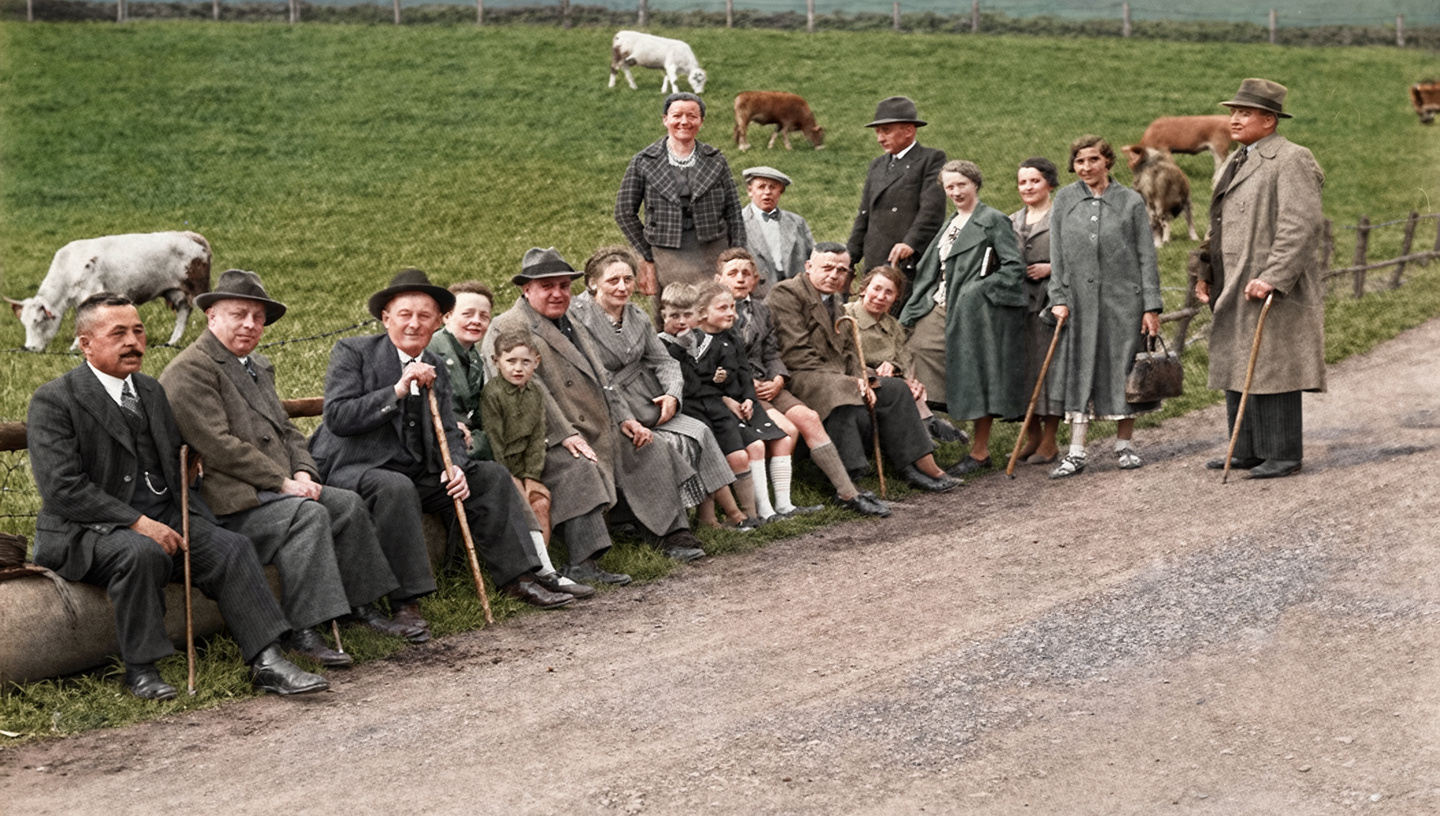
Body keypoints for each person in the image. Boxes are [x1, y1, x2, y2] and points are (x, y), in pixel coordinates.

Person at [27, 293, 328, 700]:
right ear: (85, 344)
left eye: (138, 331)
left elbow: (171, 466)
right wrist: (138, 523)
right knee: (141, 552)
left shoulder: (150, 391)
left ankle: (268, 661)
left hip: (162, 515)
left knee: (231, 547)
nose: (133, 342)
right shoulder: (55, 399)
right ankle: (140, 671)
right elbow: (63, 488)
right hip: (87, 529)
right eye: (118, 334)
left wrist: (190, 491)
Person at [160, 269, 421, 657]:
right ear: (211, 315)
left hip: (273, 491)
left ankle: (361, 608)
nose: (250, 325)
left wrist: (303, 470)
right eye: (239, 314)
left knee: (347, 505)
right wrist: (283, 483)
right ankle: (303, 632)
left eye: (258, 317)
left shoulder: (255, 365)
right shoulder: (189, 370)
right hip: (230, 503)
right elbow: (219, 447)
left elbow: (286, 430)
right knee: (307, 515)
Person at [309, 269, 575, 611]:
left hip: (416, 469)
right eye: (405, 315)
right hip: (356, 468)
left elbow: (448, 428)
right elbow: (338, 417)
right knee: (395, 487)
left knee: (491, 477)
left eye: (424, 316)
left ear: (437, 322)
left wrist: (457, 466)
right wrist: (397, 390)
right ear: (386, 318)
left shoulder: (435, 363)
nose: (414, 324)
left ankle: (518, 578)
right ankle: (406, 603)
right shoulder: (354, 352)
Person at [485, 248, 709, 573]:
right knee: (578, 466)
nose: (558, 293)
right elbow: (522, 397)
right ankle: (584, 560)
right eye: (547, 286)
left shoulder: (571, 320)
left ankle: (671, 534)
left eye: (564, 286)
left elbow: (603, 380)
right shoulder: (508, 326)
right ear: (526, 289)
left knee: (650, 447)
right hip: (542, 437)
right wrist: (565, 435)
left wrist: (626, 418)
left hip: (596, 422)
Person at [1195, 78, 1325, 479]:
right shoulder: (1235, 160)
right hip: (1233, 278)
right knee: (1238, 358)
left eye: (1245, 113)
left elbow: (1300, 225)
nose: (1234, 120)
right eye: (1234, 112)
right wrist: (1205, 272)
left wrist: (1273, 276)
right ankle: (1247, 449)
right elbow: (1216, 224)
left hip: (1269, 284)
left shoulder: (1291, 158)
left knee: (1272, 364)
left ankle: (1282, 453)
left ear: (1269, 121)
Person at [767, 242, 962, 495]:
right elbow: (797, 354)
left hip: (833, 376)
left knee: (896, 389)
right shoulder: (786, 293)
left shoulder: (835, 301)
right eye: (827, 268)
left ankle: (916, 466)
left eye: (841, 270)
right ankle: (849, 482)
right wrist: (850, 381)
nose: (834, 275)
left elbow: (849, 352)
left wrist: (862, 376)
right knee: (845, 395)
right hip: (800, 377)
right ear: (808, 266)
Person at [567, 245, 737, 525]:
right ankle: (670, 520)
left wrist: (672, 395)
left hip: (647, 399)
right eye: (613, 280)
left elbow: (664, 361)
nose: (622, 287)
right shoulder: (577, 317)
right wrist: (626, 416)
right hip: (610, 405)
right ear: (593, 283)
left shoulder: (636, 315)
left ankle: (717, 516)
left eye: (628, 279)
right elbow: (595, 374)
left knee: (700, 430)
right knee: (664, 443)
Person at [1046, 136, 1164, 479]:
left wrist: (1150, 306)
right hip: (1078, 303)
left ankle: (1124, 446)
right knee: (1079, 367)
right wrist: (1059, 298)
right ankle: (1076, 451)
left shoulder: (1130, 201)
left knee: (1124, 369)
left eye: (1093, 160)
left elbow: (1146, 255)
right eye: (1080, 161)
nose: (1086, 167)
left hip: (1124, 302)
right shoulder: (1065, 199)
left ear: (1107, 162)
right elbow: (1057, 254)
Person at [902, 160, 1027, 476]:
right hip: (940, 303)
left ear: (975, 185)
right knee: (912, 353)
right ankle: (929, 424)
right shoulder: (951, 223)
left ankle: (980, 452)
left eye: (961, 185)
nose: (956, 192)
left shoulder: (992, 220)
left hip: (975, 310)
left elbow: (1013, 268)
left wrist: (977, 290)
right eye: (950, 186)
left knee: (977, 371)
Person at [716, 248, 861, 518]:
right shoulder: (714, 314)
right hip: (739, 389)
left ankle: (847, 493)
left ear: (755, 280)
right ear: (719, 279)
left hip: (768, 383)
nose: (740, 279)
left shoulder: (761, 311)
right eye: (733, 273)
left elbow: (772, 352)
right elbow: (719, 361)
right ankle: (769, 504)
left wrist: (779, 378)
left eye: (746, 273)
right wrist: (749, 384)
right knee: (787, 430)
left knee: (808, 417)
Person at [614, 92, 745, 303]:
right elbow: (624, 212)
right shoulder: (644, 161)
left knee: (717, 304)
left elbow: (734, 210)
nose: (684, 122)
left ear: (701, 121)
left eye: (692, 116)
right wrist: (648, 252)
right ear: (665, 119)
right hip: (667, 251)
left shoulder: (716, 159)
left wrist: (737, 255)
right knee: (678, 307)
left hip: (713, 249)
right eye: (677, 116)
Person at [655, 284, 758, 528]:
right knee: (707, 453)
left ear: (697, 315)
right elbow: (684, 383)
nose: (682, 321)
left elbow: (728, 369)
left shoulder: (705, 340)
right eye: (674, 316)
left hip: (714, 403)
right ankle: (722, 517)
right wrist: (682, 351)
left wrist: (723, 376)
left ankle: (750, 514)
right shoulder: (662, 345)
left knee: (736, 452)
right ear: (663, 316)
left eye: (687, 315)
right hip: (687, 406)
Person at [843, 266, 964, 444]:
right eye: (876, 289)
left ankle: (926, 430)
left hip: (889, 380)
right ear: (864, 289)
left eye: (889, 293)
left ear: (896, 298)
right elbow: (843, 355)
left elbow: (904, 358)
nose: (881, 297)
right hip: (858, 377)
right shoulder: (847, 315)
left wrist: (897, 369)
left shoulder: (892, 325)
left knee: (908, 384)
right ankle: (927, 428)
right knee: (899, 387)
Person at [846, 96, 948, 282]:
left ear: (909, 130)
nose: (880, 139)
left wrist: (911, 243)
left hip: (908, 262)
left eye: (886, 131)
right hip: (875, 261)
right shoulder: (877, 165)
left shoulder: (930, 159)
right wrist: (848, 258)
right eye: (877, 132)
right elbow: (864, 215)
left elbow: (932, 210)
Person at [1011, 157, 1064, 464]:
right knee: (1023, 369)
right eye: (1022, 182)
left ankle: (1050, 440)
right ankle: (1032, 436)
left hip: (1050, 304)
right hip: (1019, 305)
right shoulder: (1012, 221)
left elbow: (1080, 258)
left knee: (1050, 367)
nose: (1028, 187)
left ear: (1050, 184)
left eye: (1035, 181)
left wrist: (1051, 268)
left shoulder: (1061, 217)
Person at [427, 281, 494, 461]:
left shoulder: (475, 356)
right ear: (447, 316)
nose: (476, 321)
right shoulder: (430, 350)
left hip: (470, 440)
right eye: (467, 314)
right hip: (442, 445)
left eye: (484, 316)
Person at [739, 166, 815, 295]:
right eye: (761, 187)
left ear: (781, 192)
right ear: (750, 191)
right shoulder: (737, 221)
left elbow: (813, 257)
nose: (767, 192)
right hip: (755, 293)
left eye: (773, 187)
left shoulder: (797, 222)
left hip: (794, 292)